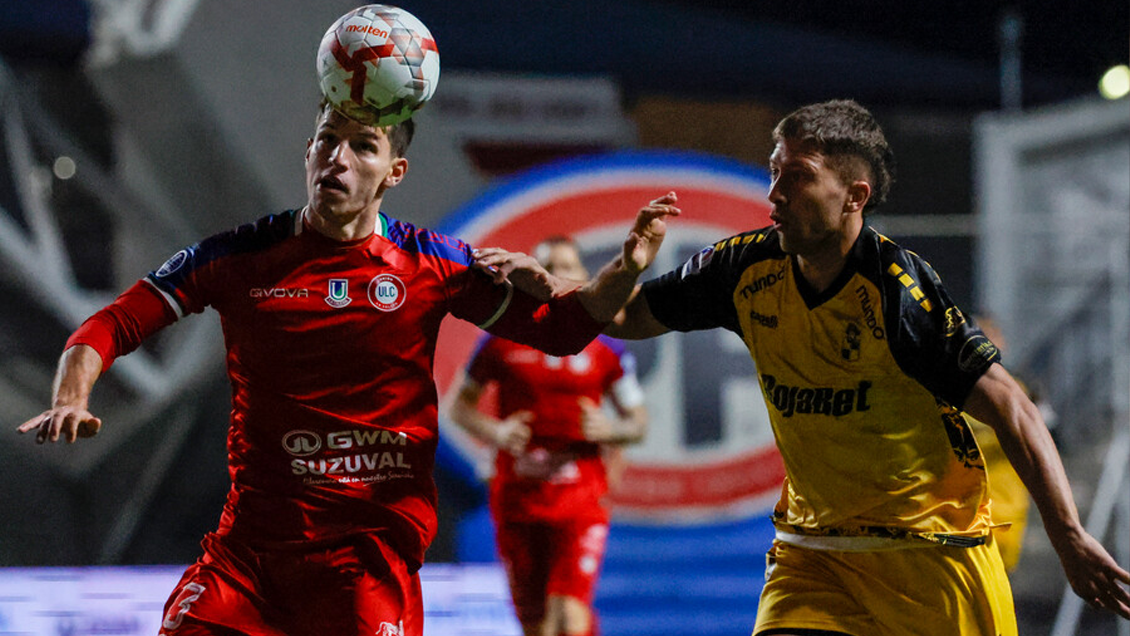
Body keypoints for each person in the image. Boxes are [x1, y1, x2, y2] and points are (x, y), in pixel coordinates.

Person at [15, 96, 679, 636]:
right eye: (328, 140)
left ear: (394, 172)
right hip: (251, 561)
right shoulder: (241, 257)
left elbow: (565, 332)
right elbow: (110, 323)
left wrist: (629, 266)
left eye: (364, 146)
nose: (339, 156)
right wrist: (74, 394)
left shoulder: (436, 265)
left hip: (367, 564)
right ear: (308, 153)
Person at [475, 99, 1130, 634]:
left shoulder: (898, 288)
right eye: (772, 171)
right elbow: (619, 318)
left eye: (796, 177)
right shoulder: (741, 268)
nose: (774, 193)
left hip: (932, 560)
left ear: (854, 195)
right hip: (813, 556)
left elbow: (1011, 404)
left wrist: (1069, 536)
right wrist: (607, 275)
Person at [448, 236, 648, 636]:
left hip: (580, 499)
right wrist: (497, 431)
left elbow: (638, 421)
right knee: (537, 625)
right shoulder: (499, 342)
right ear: (526, 277)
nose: (556, 274)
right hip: (518, 500)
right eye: (545, 265)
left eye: (566, 266)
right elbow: (458, 407)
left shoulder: (607, 348)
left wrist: (613, 429)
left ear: (583, 278)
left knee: (570, 620)